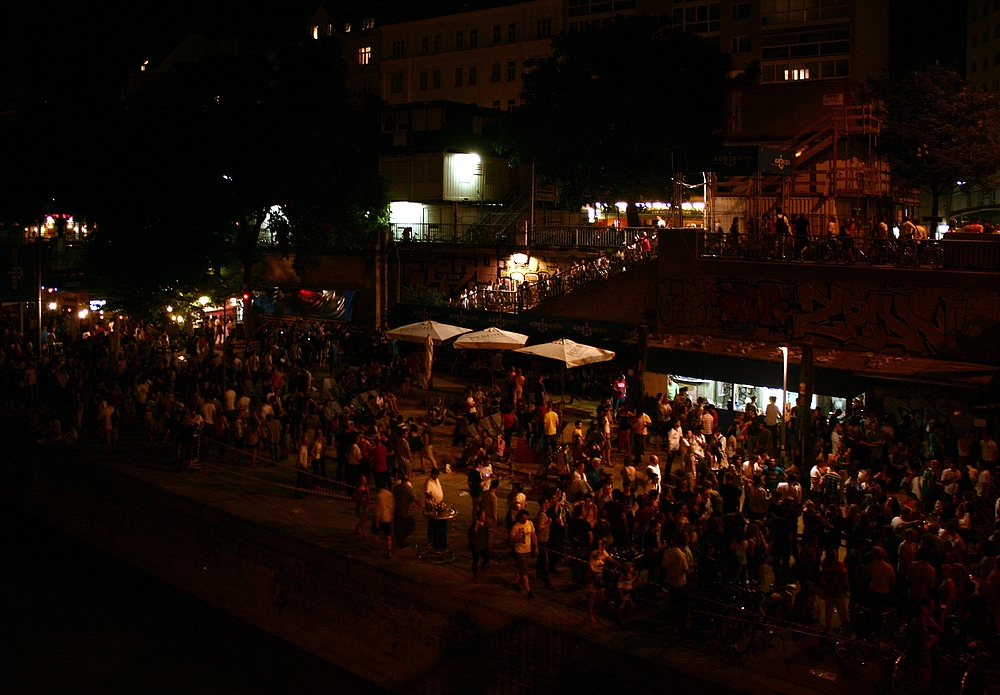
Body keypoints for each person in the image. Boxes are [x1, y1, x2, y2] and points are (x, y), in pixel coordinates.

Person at [509, 509, 537, 599]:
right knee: (524, 571)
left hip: (527, 550)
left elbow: (533, 535)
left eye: (526, 517)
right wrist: (518, 540)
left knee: (521, 568)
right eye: (523, 518)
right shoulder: (516, 527)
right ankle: (528, 591)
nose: (525, 519)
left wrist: (536, 547)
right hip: (519, 551)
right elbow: (511, 538)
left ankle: (515, 583)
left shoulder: (530, 524)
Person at [468, 509, 491, 581]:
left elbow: (487, 534)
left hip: (484, 544)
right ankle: (475, 575)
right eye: (481, 516)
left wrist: (488, 542)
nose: (483, 518)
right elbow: (471, 534)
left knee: (487, 558)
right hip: (476, 545)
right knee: (475, 561)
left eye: (484, 516)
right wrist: (476, 527)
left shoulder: (485, 524)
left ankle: (482, 568)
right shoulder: (475, 524)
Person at [373, 484, 395, 557]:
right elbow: (393, 505)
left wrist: (376, 520)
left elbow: (377, 509)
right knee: (388, 535)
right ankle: (389, 551)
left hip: (381, 518)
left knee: (375, 534)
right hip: (388, 517)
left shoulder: (379, 496)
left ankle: (378, 549)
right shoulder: (390, 495)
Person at [353, 475, 372, 540]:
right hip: (360, 505)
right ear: (360, 481)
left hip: (366, 504)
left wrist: (369, 504)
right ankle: (364, 534)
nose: (364, 481)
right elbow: (354, 496)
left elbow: (369, 496)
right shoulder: (358, 488)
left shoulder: (367, 487)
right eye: (363, 480)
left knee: (363, 519)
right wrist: (359, 496)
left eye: (365, 480)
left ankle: (357, 528)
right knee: (362, 519)